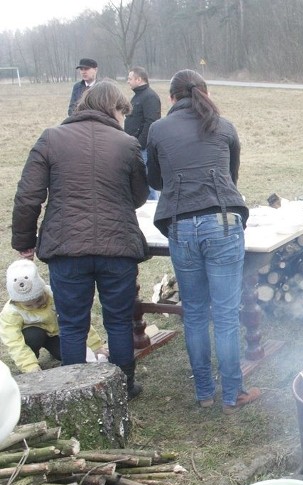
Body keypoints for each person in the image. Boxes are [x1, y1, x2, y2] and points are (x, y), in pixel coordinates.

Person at [13, 81, 149, 399]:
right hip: (117, 248)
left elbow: (27, 196)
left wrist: (25, 241)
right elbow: (139, 196)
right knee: (117, 319)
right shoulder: (126, 143)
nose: (122, 120)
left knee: (72, 323)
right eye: (121, 112)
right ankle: (124, 387)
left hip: (66, 248)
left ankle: (75, 393)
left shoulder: (51, 138)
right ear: (111, 108)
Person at [146, 69, 260, 414]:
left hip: (182, 225)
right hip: (223, 222)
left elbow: (154, 178)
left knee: (194, 314)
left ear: (171, 98)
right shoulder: (223, 126)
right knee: (225, 316)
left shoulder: (158, 129)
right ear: (205, 93)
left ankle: (204, 392)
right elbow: (231, 175)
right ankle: (232, 395)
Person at [1, 259, 106, 373]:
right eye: (28, 305)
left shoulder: (54, 294)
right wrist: (29, 366)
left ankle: (53, 349)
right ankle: (32, 359)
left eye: (39, 300)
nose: (36, 305)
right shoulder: (11, 312)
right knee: (33, 336)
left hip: (57, 334)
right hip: (34, 336)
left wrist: (96, 346)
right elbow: (14, 343)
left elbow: (76, 321)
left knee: (72, 354)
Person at [125, 66, 162, 200]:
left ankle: (152, 211)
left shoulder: (150, 97)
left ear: (139, 79)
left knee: (148, 183)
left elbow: (151, 123)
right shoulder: (137, 96)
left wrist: (140, 143)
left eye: (130, 78)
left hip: (143, 149)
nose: (127, 81)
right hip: (135, 147)